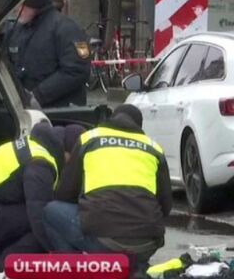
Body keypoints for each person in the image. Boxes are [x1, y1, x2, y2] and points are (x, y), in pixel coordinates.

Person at [44, 104, 173, 278]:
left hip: (104, 243)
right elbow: (166, 206)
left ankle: (77, 273)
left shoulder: (89, 139)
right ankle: (135, 268)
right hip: (146, 244)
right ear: (138, 126)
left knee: (50, 212)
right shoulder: (154, 148)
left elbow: (64, 194)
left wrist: (91, 201)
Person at [0, 122, 86, 279]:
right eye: (75, 160)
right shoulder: (40, 162)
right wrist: (59, 254)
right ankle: (0, 270)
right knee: (45, 224)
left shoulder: (33, 145)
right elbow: (39, 217)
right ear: (67, 151)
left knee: (27, 221)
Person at [3, 0, 90, 108]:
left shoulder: (66, 28)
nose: (17, 9)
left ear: (35, 4)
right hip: (24, 110)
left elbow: (77, 70)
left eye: (21, 5)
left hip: (60, 112)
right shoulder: (16, 30)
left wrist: (38, 96)